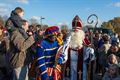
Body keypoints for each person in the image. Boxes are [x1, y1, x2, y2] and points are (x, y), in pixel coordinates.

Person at [63, 15, 92, 80]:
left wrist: (90, 50)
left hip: (80, 61)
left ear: (80, 29)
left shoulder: (83, 37)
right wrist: (66, 43)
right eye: (74, 29)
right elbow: (64, 47)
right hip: (70, 62)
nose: (75, 31)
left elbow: (89, 46)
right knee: (70, 76)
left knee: (80, 75)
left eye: (77, 29)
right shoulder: (69, 37)